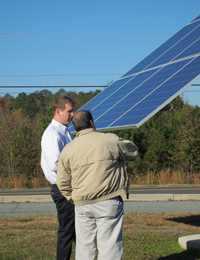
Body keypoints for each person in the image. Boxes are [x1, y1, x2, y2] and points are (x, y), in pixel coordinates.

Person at [56, 110, 139, 260]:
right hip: (109, 201)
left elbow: (62, 182)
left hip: (82, 204)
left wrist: (73, 198)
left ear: (75, 128)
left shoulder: (68, 149)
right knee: (109, 248)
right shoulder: (108, 140)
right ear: (92, 123)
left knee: (84, 248)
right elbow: (133, 152)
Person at [41, 96, 76, 260]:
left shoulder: (65, 131)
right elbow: (55, 164)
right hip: (62, 189)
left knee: (77, 230)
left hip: (69, 187)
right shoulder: (51, 134)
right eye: (69, 111)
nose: (72, 115)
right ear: (58, 111)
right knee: (67, 231)